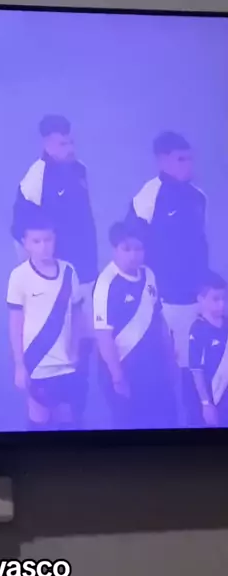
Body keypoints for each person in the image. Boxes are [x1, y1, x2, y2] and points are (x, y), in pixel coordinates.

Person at [11, 114, 98, 423]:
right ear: (46, 143)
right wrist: (36, 276)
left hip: (84, 275)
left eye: (71, 141)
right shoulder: (34, 178)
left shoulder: (80, 170)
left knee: (82, 345)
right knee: (49, 347)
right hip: (52, 281)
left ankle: (76, 415)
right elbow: (19, 231)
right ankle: (40, 418)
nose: (69, 148)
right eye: (62, 143)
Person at [128, 131, 208, 415]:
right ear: (162, 161)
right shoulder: (148, 197)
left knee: (195, 372)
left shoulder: (198, 197)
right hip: (162, 302)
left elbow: (199, 246)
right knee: (162, 372)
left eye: (189, 159)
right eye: (180, 159)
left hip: (196, 300)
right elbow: (132, 248)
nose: (188, 165)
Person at [93, 220, 177, 430]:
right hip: (124, 369)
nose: (133, 255)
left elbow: (158, 318)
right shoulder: (105, 284)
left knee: (165, 422)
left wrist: (169, 357)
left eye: (138, 249)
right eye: (126, 249)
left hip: (154, 367)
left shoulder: (149, 275)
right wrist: (118, 377)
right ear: (115, 249)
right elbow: (103, 337)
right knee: (130, 427)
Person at [7, 211, 83, 431]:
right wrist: (19, 366)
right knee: (39, 420)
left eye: (48, 240)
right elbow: (15, 325)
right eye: (36, 241)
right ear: (25, 243)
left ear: (55, 238)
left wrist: (75, 349)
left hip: (67, 364)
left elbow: (78, 315)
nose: (43, 246)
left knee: (67, 420)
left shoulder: (69, 271)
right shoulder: (18, 276)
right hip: (36, 363)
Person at [188, 272, 228, 428]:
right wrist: (206, 403)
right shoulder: (198, 330)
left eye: (224, 298)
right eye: (215, 299)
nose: (221, 304)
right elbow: (197, 370)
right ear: (201, 299)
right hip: (214, 398)